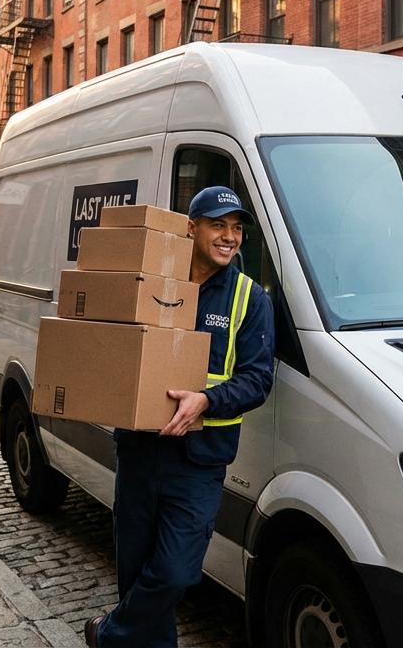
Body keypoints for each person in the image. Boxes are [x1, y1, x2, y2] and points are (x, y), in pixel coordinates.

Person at [87, 187, 275, 648]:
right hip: (139, 450)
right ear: (191, 228)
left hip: (199, 461)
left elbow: (258, 379)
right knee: (134, 571)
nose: (230, 237)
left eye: (236, 228)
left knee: (175, 572)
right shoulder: (152, 279)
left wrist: (206, 400)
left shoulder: (250, 299)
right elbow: (112, 340)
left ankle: (109, 634)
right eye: (218, 225)